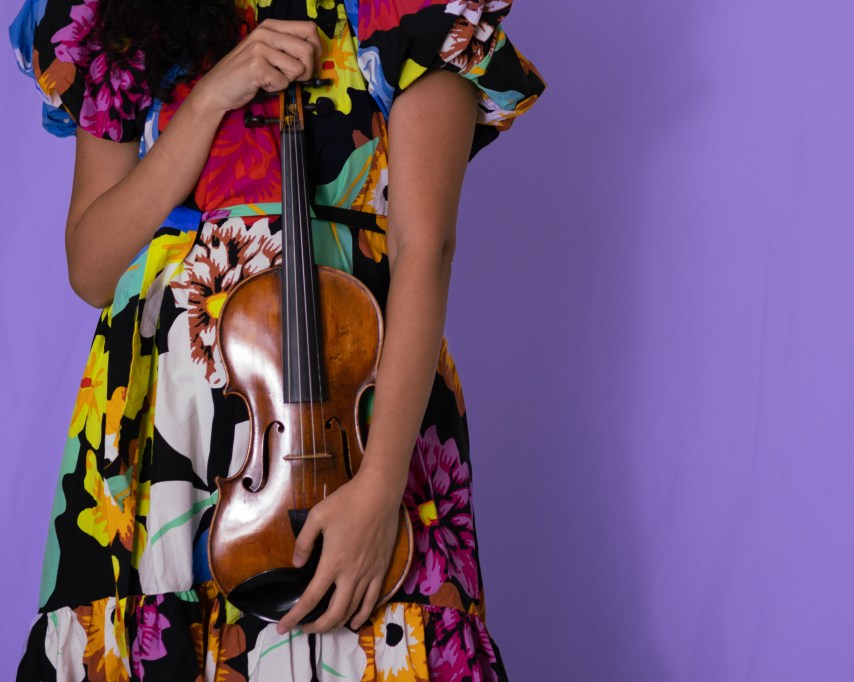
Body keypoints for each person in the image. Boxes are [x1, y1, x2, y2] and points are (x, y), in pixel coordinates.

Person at [11, 0, 545, 677]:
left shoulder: (404, 9)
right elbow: (91, 266)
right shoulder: (121, 12)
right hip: (163, 421)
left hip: (349, 412)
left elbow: (425, 245)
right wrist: (209, 101)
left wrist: (381, 488)